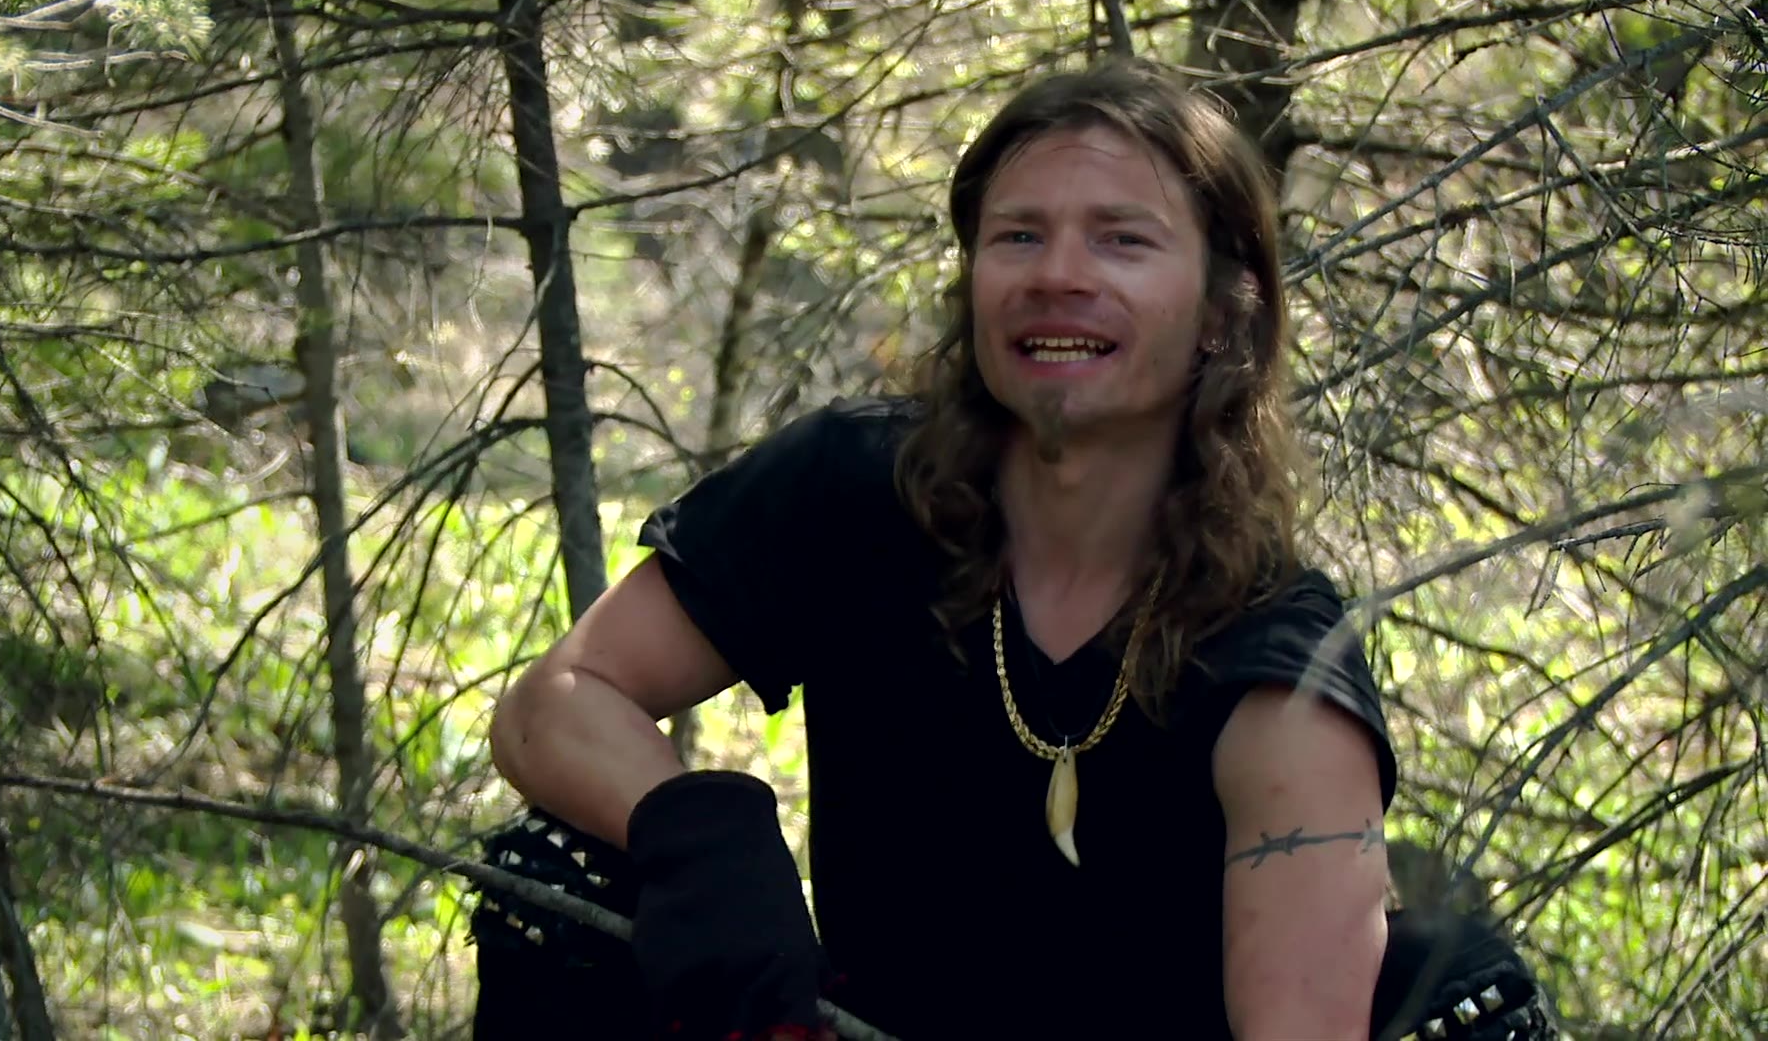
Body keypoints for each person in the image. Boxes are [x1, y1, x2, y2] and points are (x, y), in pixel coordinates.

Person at [476, 57, 1551, 1040]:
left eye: (1123, 240)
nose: (1057, 274)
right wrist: (698, 830)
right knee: (562, 869)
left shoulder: (1279, 677)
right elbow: (553, 704)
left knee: (1457, 996)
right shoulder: (855, 490)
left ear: (1223, 312)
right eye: (1019, 237)